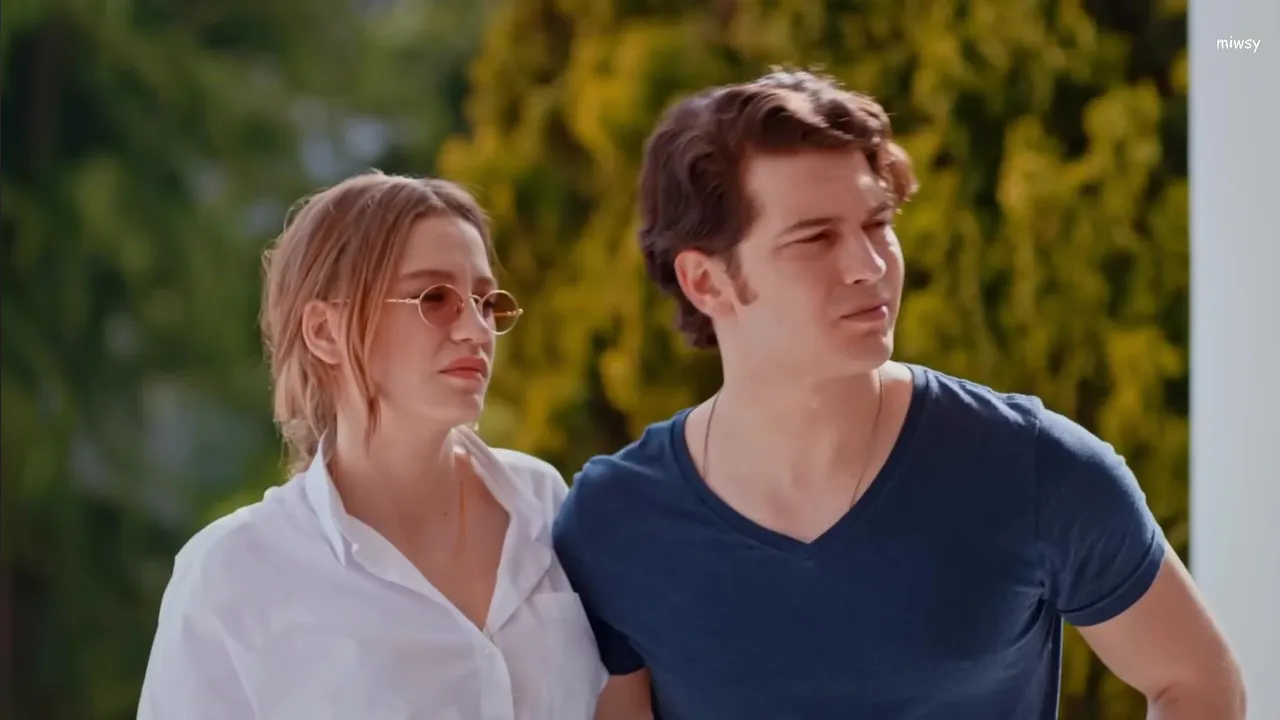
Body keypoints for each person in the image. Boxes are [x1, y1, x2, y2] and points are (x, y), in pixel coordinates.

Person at [557, 70, 1246, 719]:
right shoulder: (617, 522)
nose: (869, 265)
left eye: (877, 224)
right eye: (816, 238)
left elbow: (1195, 680)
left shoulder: (1030, 466)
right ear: (707, 282)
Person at [138, 172, 607, 720]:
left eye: (485, 302)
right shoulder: (231, 578)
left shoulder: (544, 503)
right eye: (435, 298)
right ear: (324, 331)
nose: (477, 331)